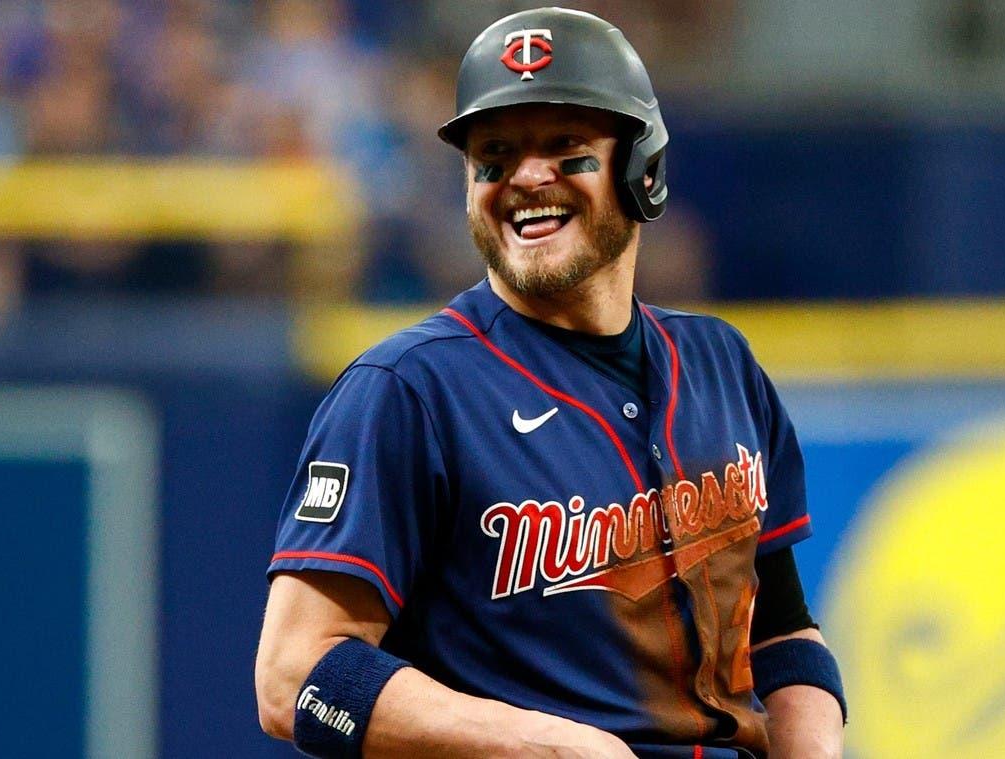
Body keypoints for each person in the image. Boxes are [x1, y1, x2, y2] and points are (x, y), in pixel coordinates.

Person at [255, 8, 845, 758]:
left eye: (565, 146)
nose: (526, 176)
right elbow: (293, 675)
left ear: (645, 169)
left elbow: (782, 631)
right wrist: (541, 743)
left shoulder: (723, 363)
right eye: (494, 155)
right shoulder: (407, 391)